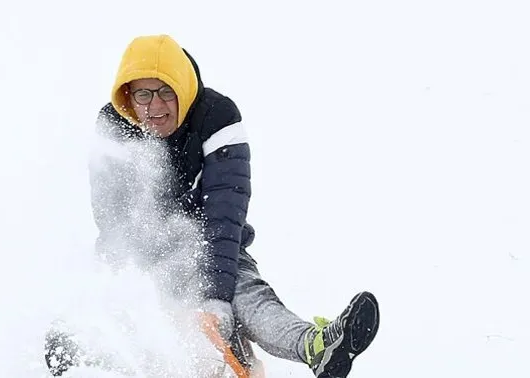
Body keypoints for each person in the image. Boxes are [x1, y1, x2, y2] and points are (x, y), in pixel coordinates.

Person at [50, 34, 381, 378]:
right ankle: (83, 357)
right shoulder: (115, 125)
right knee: (134, 326)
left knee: (245, 295)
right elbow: (112, 218)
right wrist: (157, 279)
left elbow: (225, 214)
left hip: (214, 251)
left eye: (165, 92)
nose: (154, 106)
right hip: (142, 267)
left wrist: (214, 298)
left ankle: (316, 345)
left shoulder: (216, 116)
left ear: (182, 89)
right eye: (143, 93)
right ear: (127, 97)